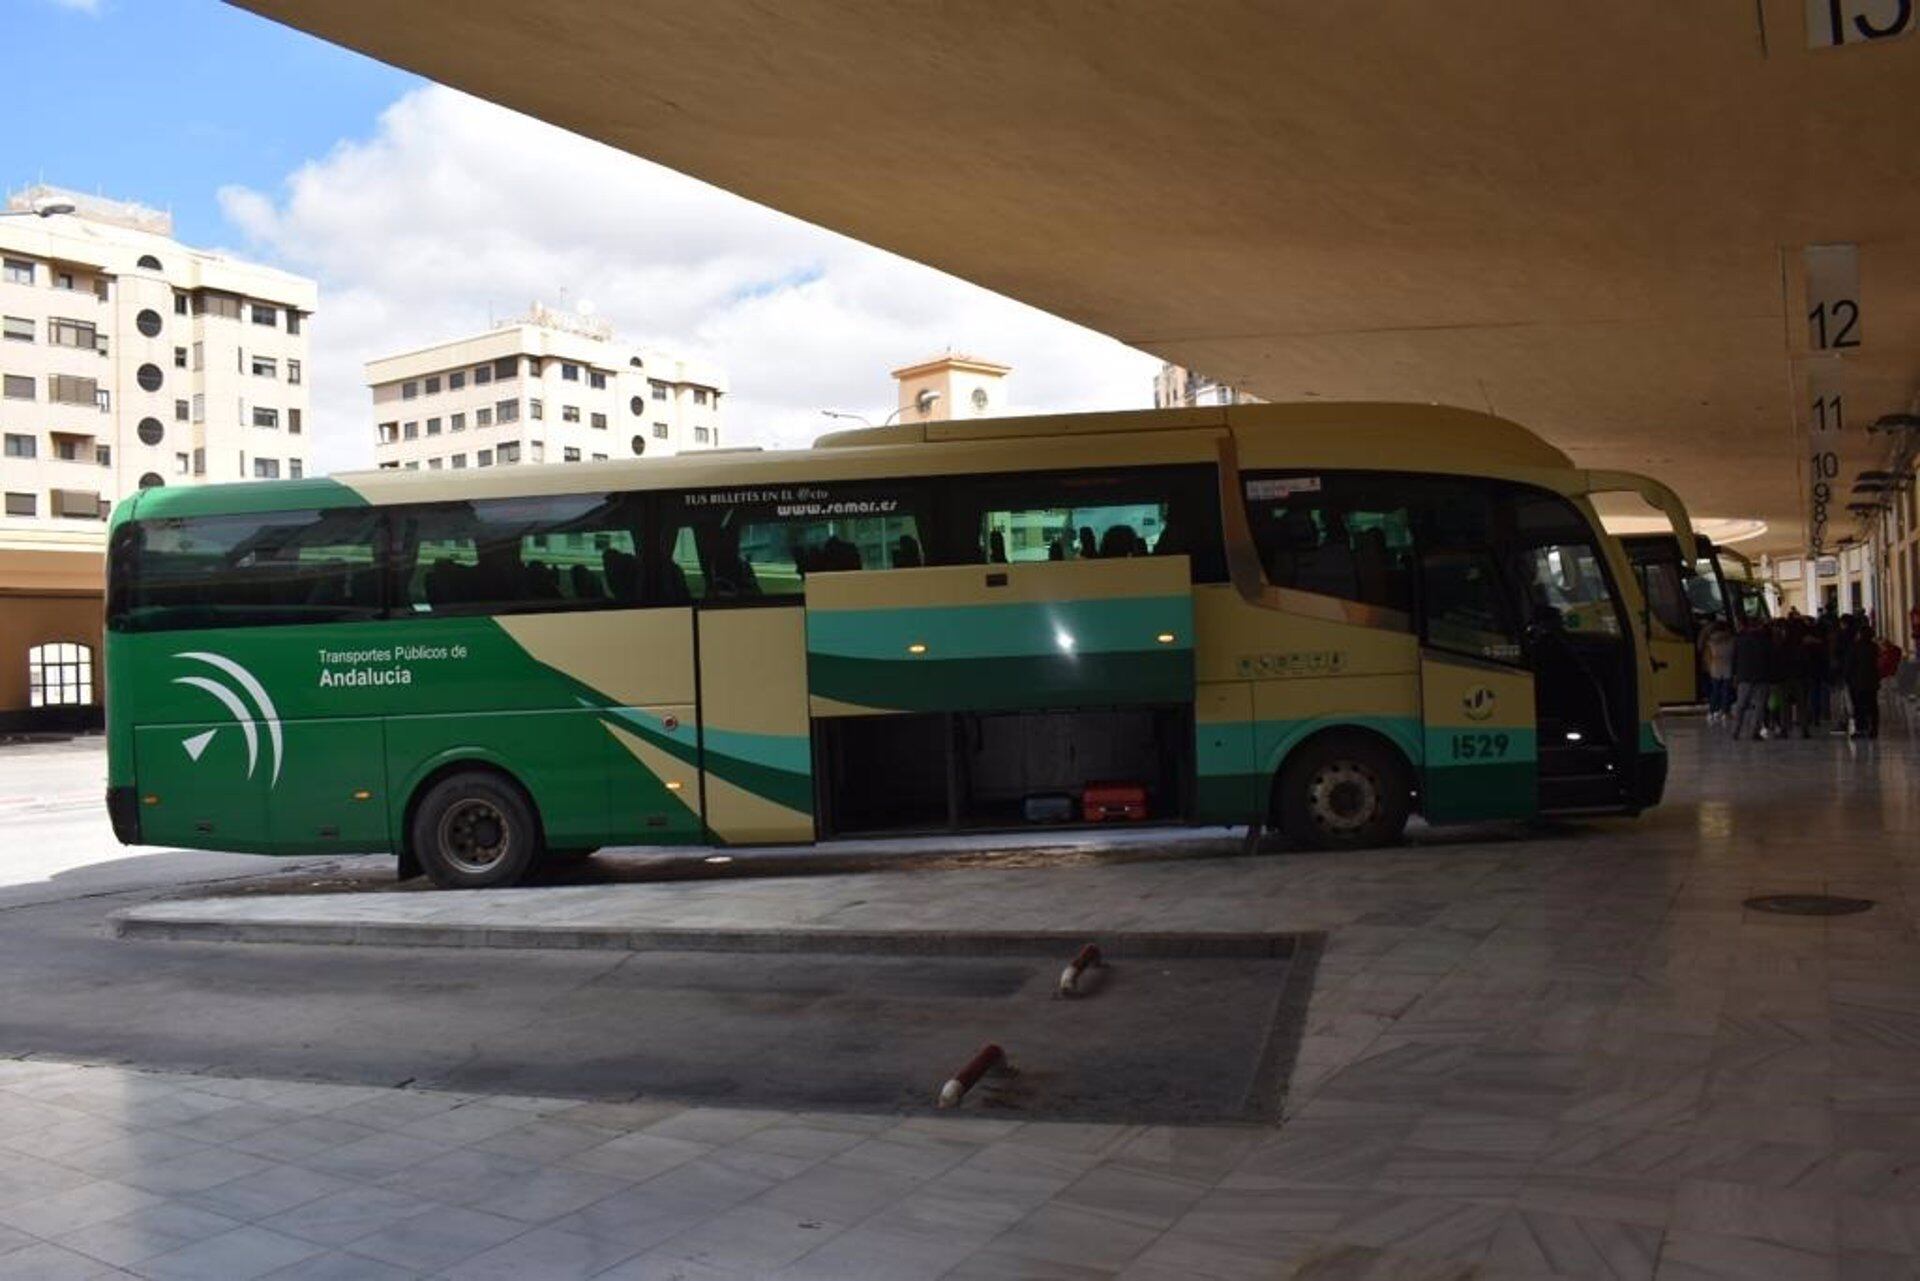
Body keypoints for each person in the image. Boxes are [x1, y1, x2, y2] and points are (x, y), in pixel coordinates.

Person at [1729, 617, 1772, 740]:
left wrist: (1734, 675)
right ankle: (1754, 732)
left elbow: (1734, 659)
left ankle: (1735, 731)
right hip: (1762, 677)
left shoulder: (1739, 640)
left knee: (1741, 705)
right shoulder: (1765, 640)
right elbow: (1770, 659)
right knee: (1759, 706)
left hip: (1744, 676)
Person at [1845, 619, 1882, 739]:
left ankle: (1861, 728)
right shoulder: (1874, 647)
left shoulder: (1855, 647)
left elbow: (1850, 664)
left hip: (1857, 683)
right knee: (1872, 705)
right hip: (1872, 681)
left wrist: (1847, 678)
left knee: (1859, 706)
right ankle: (1874, 729)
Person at [1700, 619, 1736, 724]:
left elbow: (1704, 651)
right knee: (1726, 691)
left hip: (1715, 668)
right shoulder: (1731, 640)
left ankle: (1711, 711)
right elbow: (1734, 654)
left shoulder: (1711, 641)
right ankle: (1725, 712)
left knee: (1715, 691)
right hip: (1728, 667)